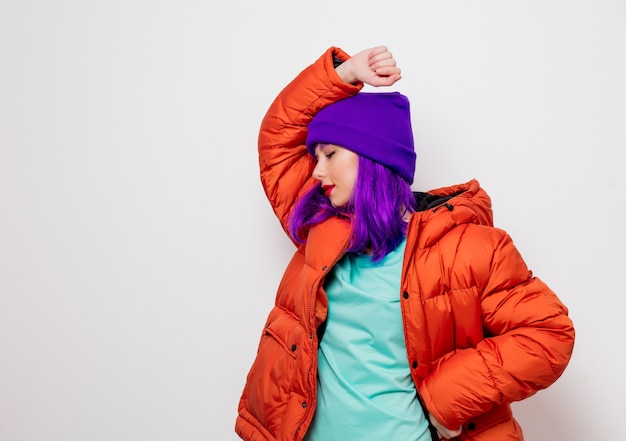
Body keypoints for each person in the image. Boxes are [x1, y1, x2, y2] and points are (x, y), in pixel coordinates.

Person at [235, 45, 575, 441]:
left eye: (329, 154)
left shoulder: (469, 249)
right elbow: (277, 139)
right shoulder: (322, 229)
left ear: (373, 160)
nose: (317, 171)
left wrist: (446, 398)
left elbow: (548, 333)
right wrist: (344, 75)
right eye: (314, 157)